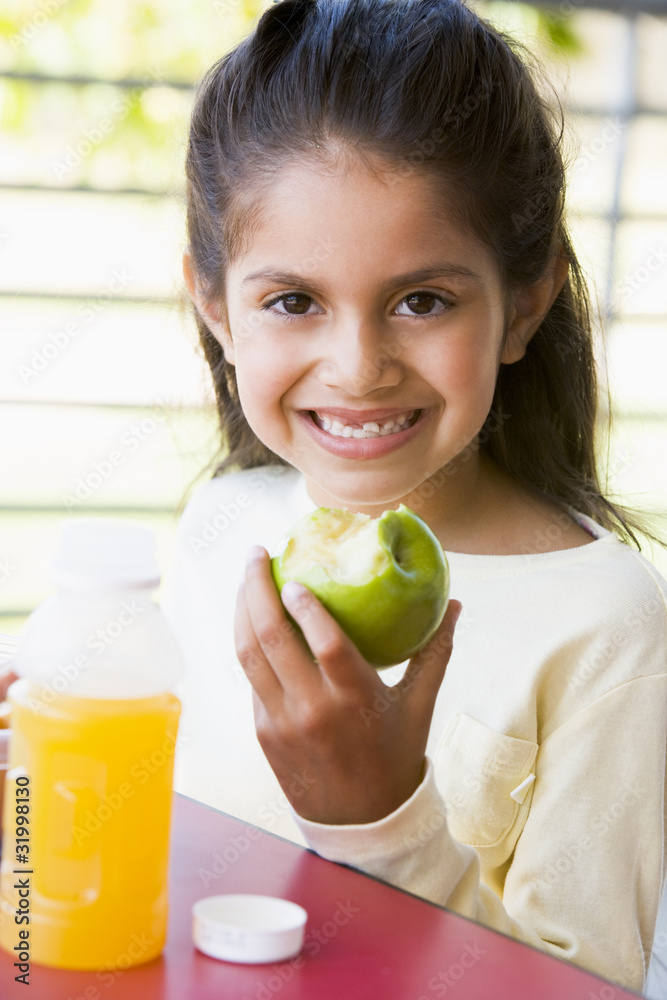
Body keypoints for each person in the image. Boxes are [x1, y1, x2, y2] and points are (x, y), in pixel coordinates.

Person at [160, 0, 667, 992]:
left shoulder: (606, 627)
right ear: (215, 308)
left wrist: (381, 820)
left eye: (421, 301)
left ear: (524, 304)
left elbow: (583, 984)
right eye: (293, 301)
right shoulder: (222, 521)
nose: (357, 369)